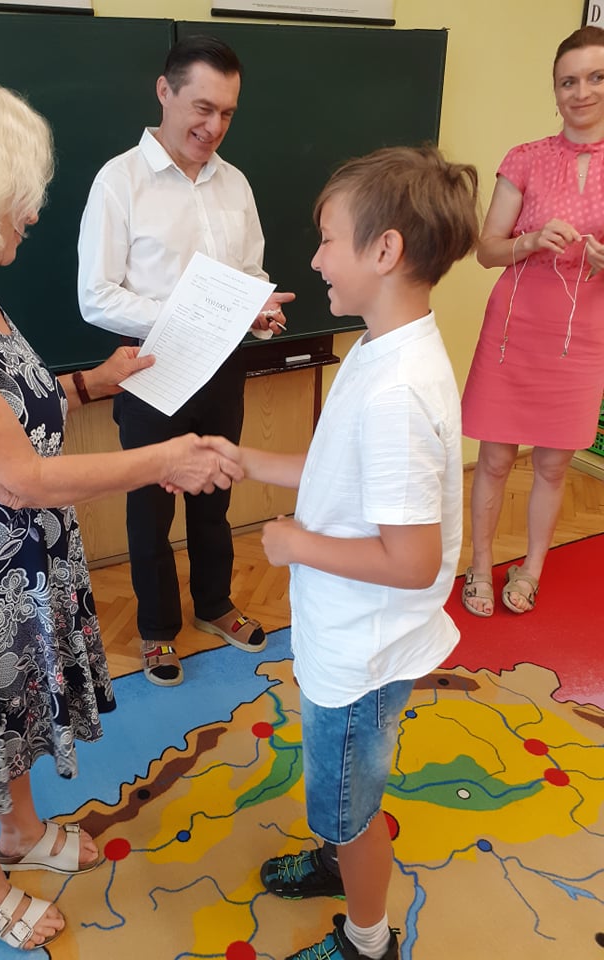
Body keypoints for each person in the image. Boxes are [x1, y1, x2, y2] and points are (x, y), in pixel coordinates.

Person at [0, 69, 241, 952]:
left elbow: (4, 409)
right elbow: (18, 479)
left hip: (18, 564)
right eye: (18, 195)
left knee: (12, 717)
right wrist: (165, 458)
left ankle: (19, 831)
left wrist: (91, 382)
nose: (34, 212)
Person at [207, 146, 479, 959]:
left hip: (364, 650)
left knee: (350, 810)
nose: (318, 259)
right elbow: (337, 469)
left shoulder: (397, 391)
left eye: (328, 240)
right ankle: (336, 860)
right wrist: (248, 460)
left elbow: (414, 561)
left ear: (385, 250)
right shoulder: (378, 348)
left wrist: (297, 544)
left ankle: (368, 939)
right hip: (351, 634)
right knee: (345, 788)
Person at [77, 35, 294, 687]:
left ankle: (216, 604)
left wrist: (257, 309)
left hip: (222, 368)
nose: (214, 126)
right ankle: (155, 630)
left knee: (215, 492)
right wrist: (188, 314)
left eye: (227, 112)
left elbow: (251, 272)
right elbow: (96, 296)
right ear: (164, 92)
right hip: (151, 373)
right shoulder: (119, 181)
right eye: (202, 107)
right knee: (149, 507)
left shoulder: (235, 183)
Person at [460, 25, 604, 618]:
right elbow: (486, 249)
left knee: (552, 465)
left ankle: (532, 568)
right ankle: (479, 566)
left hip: (584, 335)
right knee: (495, 459)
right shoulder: (524, 158)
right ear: (554, 91)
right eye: (568, 81)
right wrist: (531, 240)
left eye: (595, 78)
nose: (581, 92)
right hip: (514, 332)